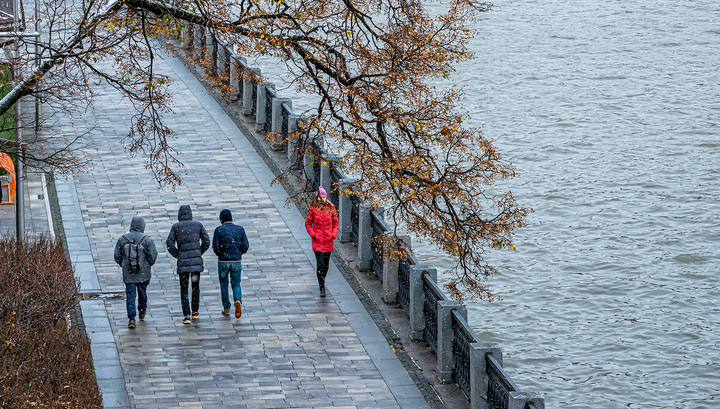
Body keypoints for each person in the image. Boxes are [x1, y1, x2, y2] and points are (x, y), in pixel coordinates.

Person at [166, 205, 210, 324]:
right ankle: (195, 311)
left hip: (183, 262)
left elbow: (169, 243)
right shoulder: (198, 225)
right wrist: (198, 252)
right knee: (195, 286)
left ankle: (186, 315)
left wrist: (178, 255)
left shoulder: (176, 227)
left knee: (184, 288)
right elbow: (206, 241)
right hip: (195, 262)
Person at [114, 216, 158, 329]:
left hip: (128, 273)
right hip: (143, 273)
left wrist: (124, 265)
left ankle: (131, 318)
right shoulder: (147, 240)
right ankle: (142, 310)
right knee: (142, 291)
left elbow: (117, 256)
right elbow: (153, 256)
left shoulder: (122, 239)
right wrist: (146, 266)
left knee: (130, 294)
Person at [212, 209, 249, 318]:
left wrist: (220, 253)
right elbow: (245, 245)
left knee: (224, 284)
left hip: (223, 261)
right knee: (236, 284)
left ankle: (226, 308)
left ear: (221, 219)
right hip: (236, 261)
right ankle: (238, 301)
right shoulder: (240, 229)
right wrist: (239, 253)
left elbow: (215, 246)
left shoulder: (219, 230)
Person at [304, 186, 339, 297]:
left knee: (326, 265)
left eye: (324, 197)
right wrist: (313, 235)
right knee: (320, 264)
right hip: (317, 241)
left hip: (328, 241)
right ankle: (322, 286)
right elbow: (308, 223)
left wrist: (333, 235)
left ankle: (323, 279)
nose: (322, 199)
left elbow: (335, 223)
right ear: (317, 197)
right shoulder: (313, 209)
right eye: (320, 197)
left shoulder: (331, 208)